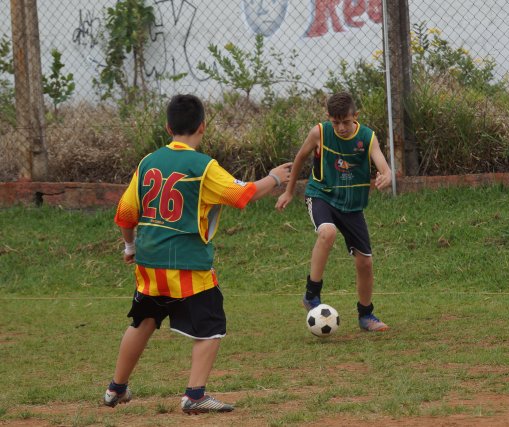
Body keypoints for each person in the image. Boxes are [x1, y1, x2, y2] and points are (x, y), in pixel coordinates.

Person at [104, 94, 292, 413]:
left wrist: (130, 247)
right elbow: (241, 194)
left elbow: (124, 213)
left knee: (143, 321)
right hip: (187, 265)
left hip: (149, 263)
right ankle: (194, 396)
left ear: (168, 127)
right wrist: (274, 178)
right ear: (203, 126)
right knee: (211, 326)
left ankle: (115, 390)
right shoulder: (203, 167)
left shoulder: (148, 162)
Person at [275, 92, 393, 331]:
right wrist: (288, 192)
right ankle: (311, 294)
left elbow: (382, 164)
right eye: (335, 122)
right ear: (328, 118)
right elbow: (299, 159)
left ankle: (366, 315)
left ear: (355, 117)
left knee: (365, 262)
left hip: (351, 205)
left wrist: (387, 176)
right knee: (327, 232)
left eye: (346, 122)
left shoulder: (367, 137)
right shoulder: (319, 132)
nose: (340, 127)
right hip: (322, 195)